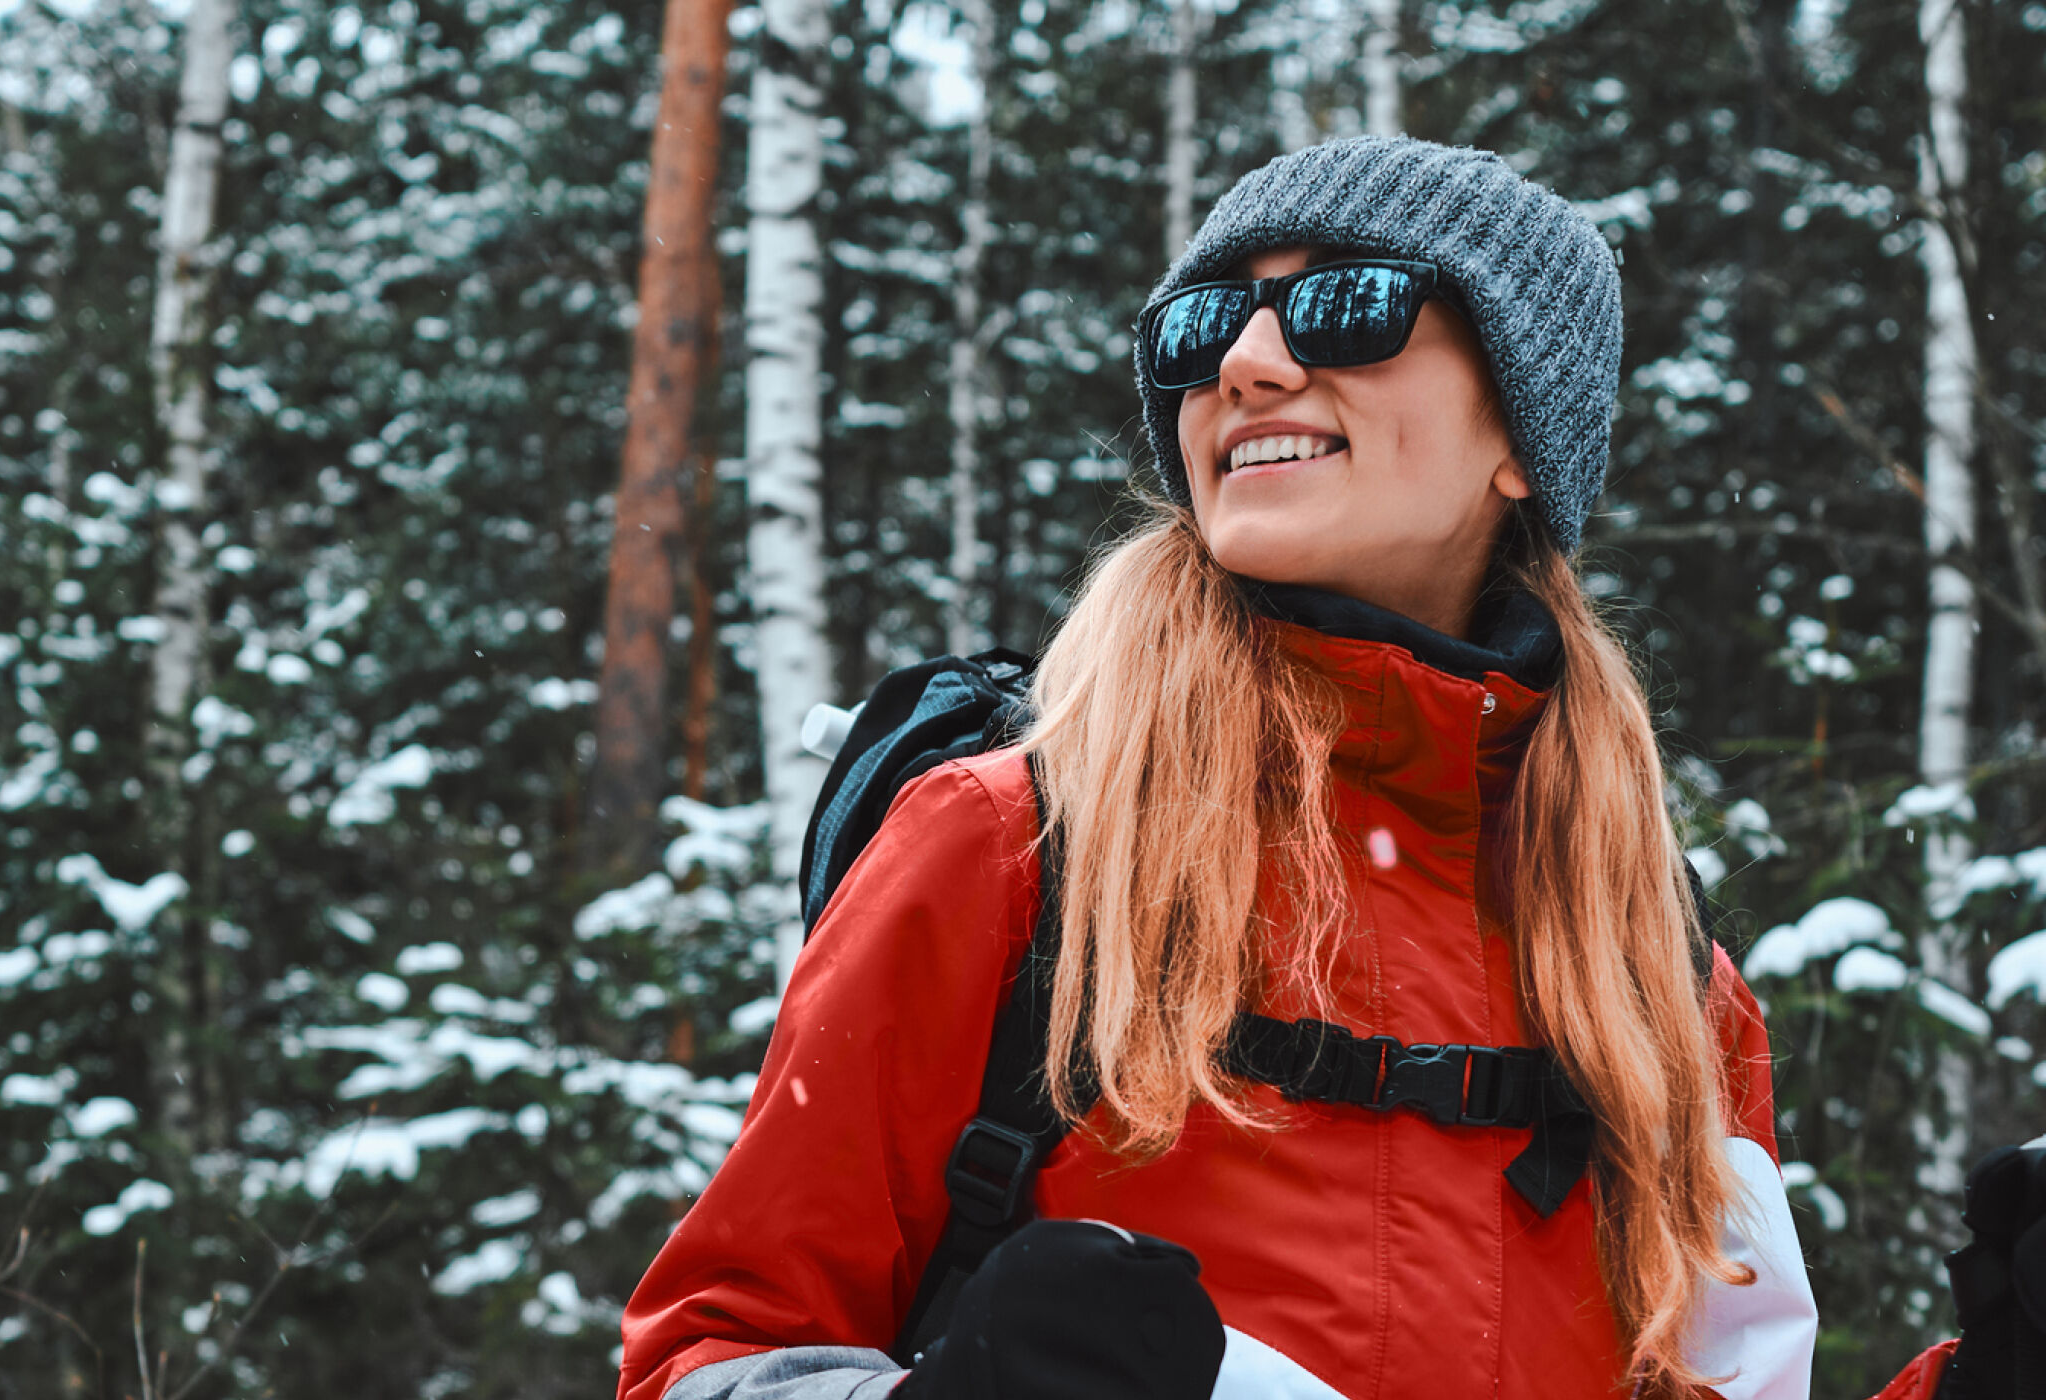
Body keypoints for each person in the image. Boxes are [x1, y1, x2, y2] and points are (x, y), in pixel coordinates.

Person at [616, 137, 1977, 1400]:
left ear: (1523, 432)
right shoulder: (1012, 848)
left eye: (1347, 306)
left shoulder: (1654, 966)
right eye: (1204, 326)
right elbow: (702, 1355)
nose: (1246, 365)